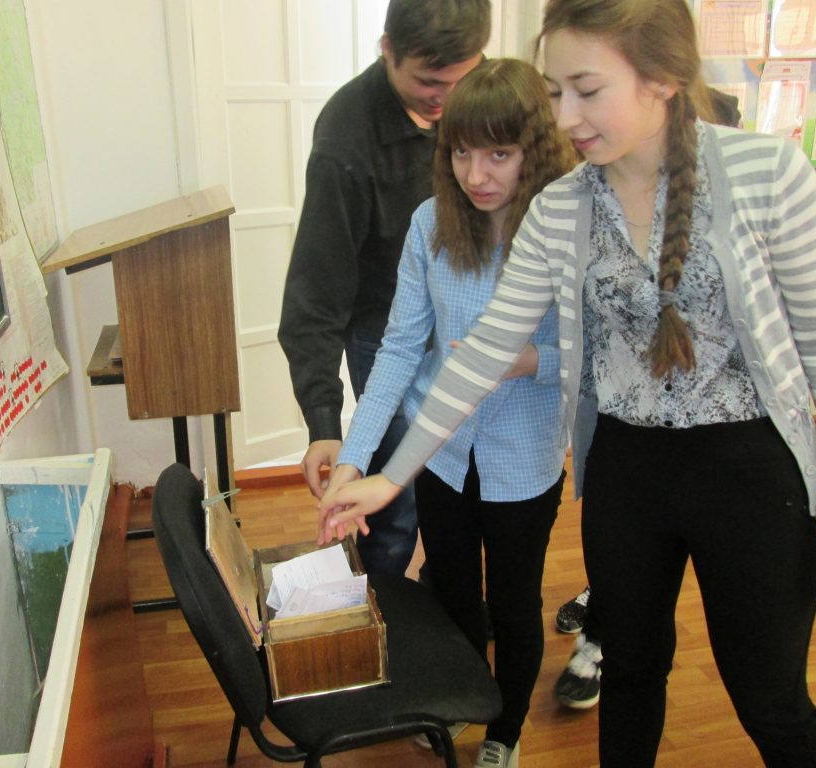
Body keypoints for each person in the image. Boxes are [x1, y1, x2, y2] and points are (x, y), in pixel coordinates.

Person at [319, 1, 816, 765]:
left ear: (663, 79)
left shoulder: (767, 174)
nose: (566, 117)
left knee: (770, 700)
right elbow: (480, 353)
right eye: (556, 92)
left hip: (752, 473)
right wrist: (388, 476)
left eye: (587, 89)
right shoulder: (562, 206)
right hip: (624, 471)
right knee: (632, 672)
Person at [319, 58, 577, 768]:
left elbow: (593, 356)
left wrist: (529, 361)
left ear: (535, 151)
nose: (476, 174)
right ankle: (466, 700)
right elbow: (400, 349)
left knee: (516, 605)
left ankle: (506, 732)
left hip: (524, 456)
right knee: (456, 592)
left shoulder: (562, 232)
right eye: (461, 152)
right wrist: (353, 460)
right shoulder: (430, 224)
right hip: (440, 453)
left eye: (499, 154)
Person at [550, 81, 746, 713]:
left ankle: (608, 613)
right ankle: (603, 620)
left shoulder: (743, 196)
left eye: (584, 89)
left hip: (729, 458)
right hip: (624, 448)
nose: (567, 114)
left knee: (762, 686)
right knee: (632, 625)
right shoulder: (583, 202)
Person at [277, 0, 491, 577]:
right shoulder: (347, 139)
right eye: (428, 82)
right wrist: (324, 425)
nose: (446, 99)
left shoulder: (490, 101)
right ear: (387, 49)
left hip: (475, 321)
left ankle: (449, 599)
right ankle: (385, 609)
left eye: (460, 79)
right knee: (394, 508)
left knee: (463, 486)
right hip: (386, 330)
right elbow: (315, 293)